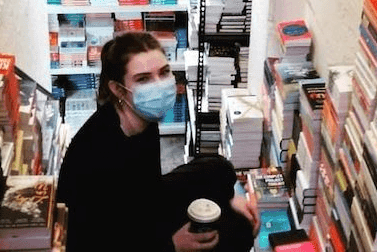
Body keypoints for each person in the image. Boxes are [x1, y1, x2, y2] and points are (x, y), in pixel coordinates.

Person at [56, 32, 258, 252]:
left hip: (139, 204)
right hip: (103, 235)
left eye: (164, 73)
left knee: (219, 168)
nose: (159, 85)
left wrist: (228, 195)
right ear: (118, 89)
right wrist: (171, 245)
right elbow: (96, 240)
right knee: (235, 232)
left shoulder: (141, 116)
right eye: (143, 79)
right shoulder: (101, 154)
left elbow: (149, 191)